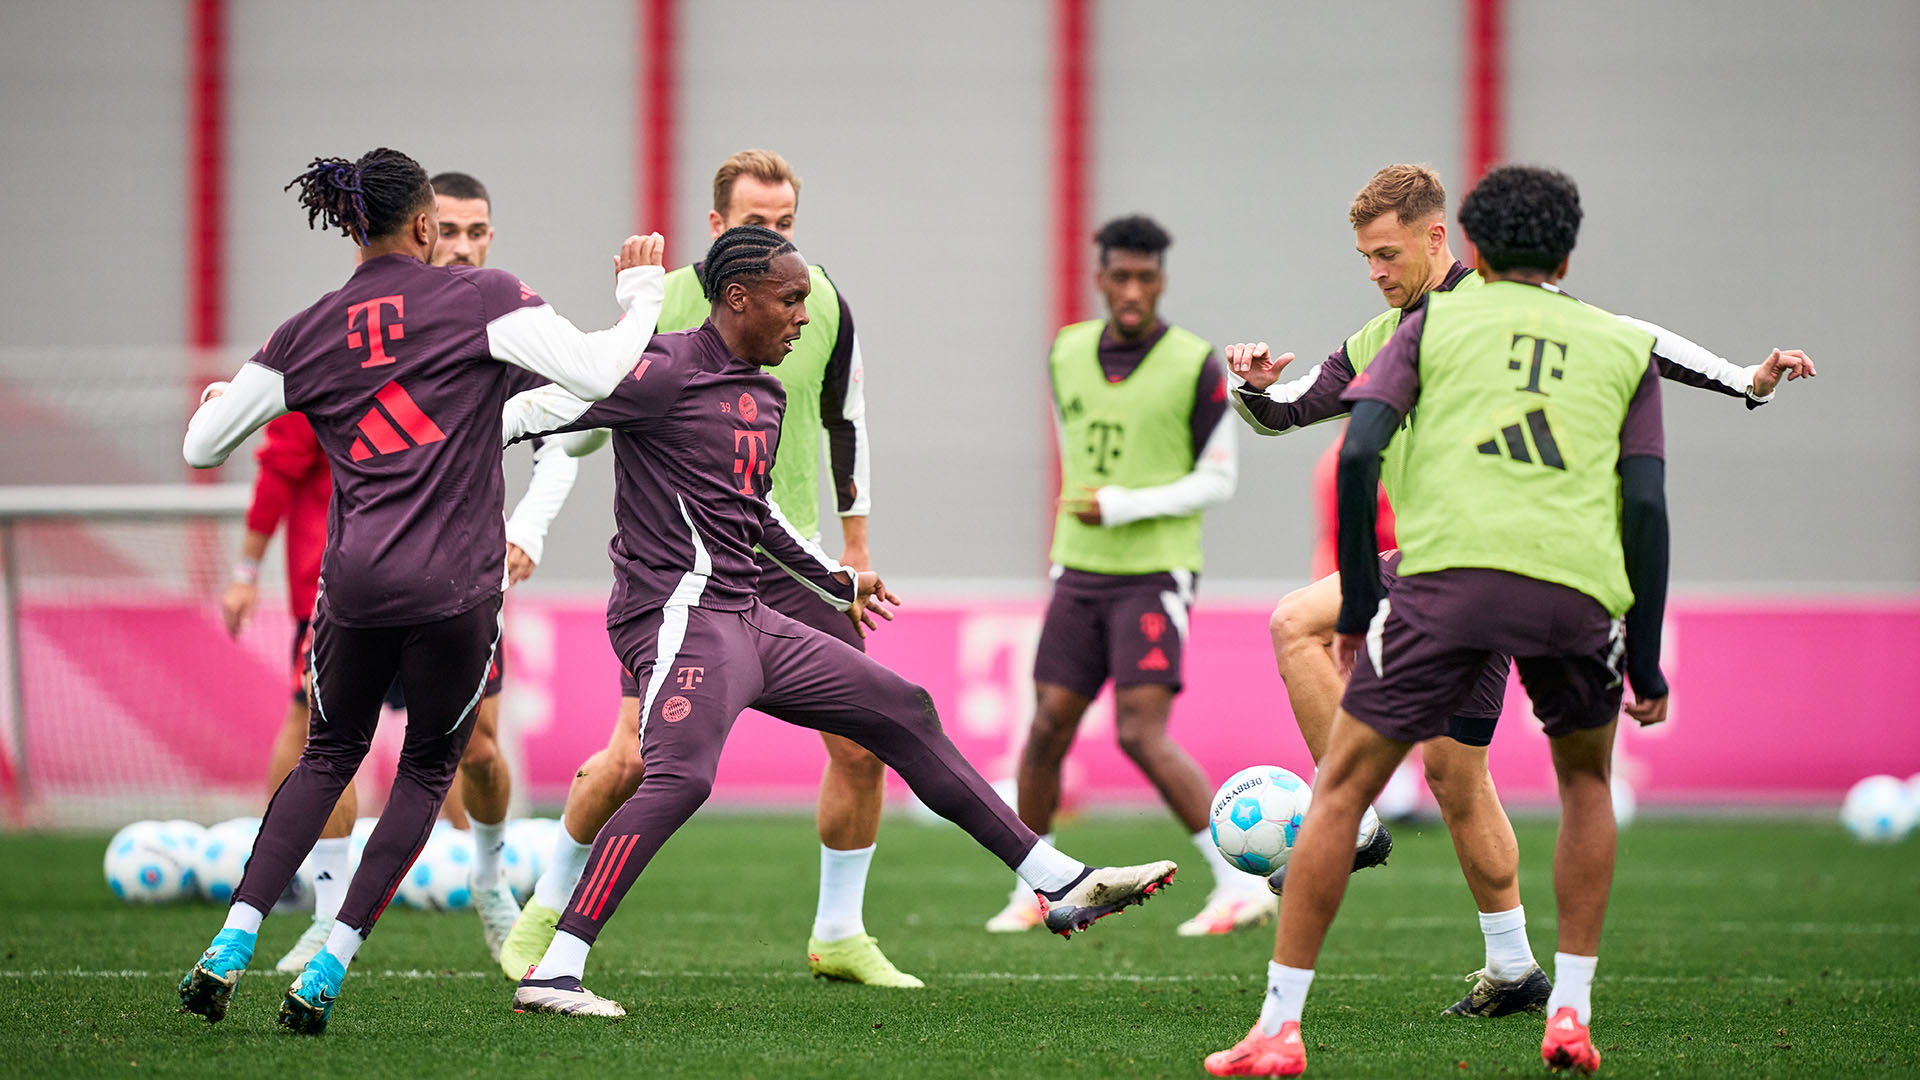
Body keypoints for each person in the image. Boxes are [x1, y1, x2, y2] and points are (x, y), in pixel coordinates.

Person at [501, 226, 1178, 1018]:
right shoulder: (660, 368)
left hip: (747, 613)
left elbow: (752, 510)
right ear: (738, 296)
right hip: (679, 615)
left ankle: (1055, 880)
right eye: (790, 302)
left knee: (904, 708)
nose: (801, 319)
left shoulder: (767, 392)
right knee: (678, 777)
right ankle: (556, 968)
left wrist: (834, 576)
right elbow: (527, 415)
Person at [1222, 164, 1813, 1016]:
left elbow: (1630, 335)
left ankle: (1347, 821)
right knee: (1460, 779)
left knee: (1293, 625)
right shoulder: (1396, 327)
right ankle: (1514, 968)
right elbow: (1291, 409)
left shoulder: (1462, 320)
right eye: (1365, 259)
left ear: (1438, 238)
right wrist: (1250, 383)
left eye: (1387, 254)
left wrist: (1742, 381)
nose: (1377, 273)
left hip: (1454, 561)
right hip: (1533, 573)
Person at [175, 146, 665, 1035]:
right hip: (452, 592)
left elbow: (203, 448)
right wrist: (644, 299)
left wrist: (219, 399)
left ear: (351, 228)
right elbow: (598, 377)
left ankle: (232, 939)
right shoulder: (479, 299)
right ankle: (328, 966)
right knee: (432, 766)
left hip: (352, 589)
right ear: (428, 227)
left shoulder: (306, 329)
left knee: (327, 755)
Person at [498, 150, 909, 987]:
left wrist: (855, 542)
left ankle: (839, 933)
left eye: (786, 223)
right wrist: (529, 515)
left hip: (793, 559)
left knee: (865, 748)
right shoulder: (664, 307)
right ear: (717, 225)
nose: (773, 236)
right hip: (678, 571)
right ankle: (545, 913)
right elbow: (579, 423)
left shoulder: (819, 301)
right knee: (631, 762)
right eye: (756, 221)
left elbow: (849, 417)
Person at [984, 215, 1265, 939]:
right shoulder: (1066, 353)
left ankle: (1238, 885)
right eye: (1121, 276)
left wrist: (1126, 505)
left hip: (1153, 572)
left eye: (1147, 277)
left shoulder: (1197, 363)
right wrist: (1071, 542)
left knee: (1141, 733)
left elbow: (1220, 479)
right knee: (1046, 728)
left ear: (1162, 281)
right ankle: (1037, 886)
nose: (1133, 290)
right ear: (1101, 277)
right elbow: (1073, 450)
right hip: (1079, 567)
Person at [421, 170, 587, 964]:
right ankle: (320, 918)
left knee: (478, 748)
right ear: (417, 230)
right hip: (363, 568)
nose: (461, 248)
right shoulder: (374, 325)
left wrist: (531, 526)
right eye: (446, 230)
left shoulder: (504, 325)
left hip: (465, 573)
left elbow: (565, 430)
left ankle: (488, 881)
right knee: (327, 739)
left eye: (476, 232)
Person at [219, 411, 360, 972]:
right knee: (317, 732)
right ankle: (303, 888)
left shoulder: (430, 351)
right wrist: (245, 571)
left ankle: (481, 881)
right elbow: (278, 467)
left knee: (462, 741)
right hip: (330, 588)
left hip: (431, 581)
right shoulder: (317, 361)